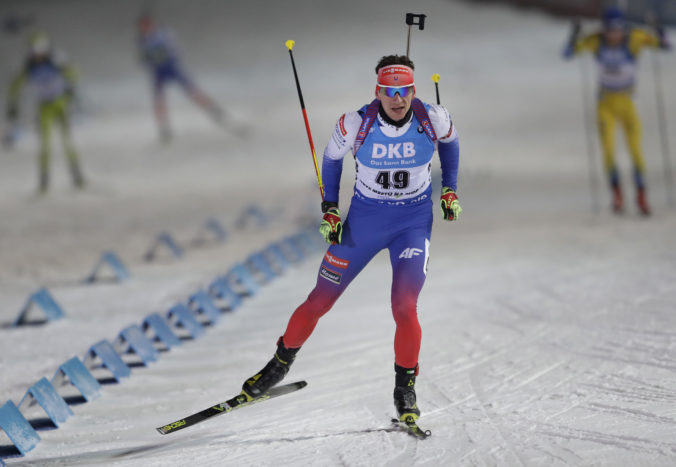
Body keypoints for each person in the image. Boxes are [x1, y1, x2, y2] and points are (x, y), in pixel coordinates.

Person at [240, 55, 462, 424]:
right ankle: (278, 366)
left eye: (403, 90)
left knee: (405, 307)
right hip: (364, 222)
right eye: (389, 91)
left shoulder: (433, 118)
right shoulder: (356, 122)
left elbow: (452, 145)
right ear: (378, 92)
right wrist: (329, 208)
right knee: (318, 300)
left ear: (413, 90)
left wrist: (450, 189)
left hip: (412, 223)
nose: (397, 99)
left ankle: (404, 389)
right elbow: (331, 160)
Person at [563, 7, 670, 216]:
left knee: (635, 150)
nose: (613, 35)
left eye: (617, 30)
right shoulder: (596, 41)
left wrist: (659, 30)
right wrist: (574, 34)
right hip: (605, 104)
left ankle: (641, 194)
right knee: (609, 151)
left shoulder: (634, 39)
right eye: (609, 30)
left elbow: (665, 46)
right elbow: (568, 54)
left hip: (627, 102)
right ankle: (617, 194)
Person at [5, 31, 85, 193]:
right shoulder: (30, 66)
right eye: (34, 52)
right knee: (45, 145)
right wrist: (12, 103)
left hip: (60, 103)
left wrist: (70, 87)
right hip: (44, 106)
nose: (37, 55)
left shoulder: (55, 60)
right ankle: (44, 181)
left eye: (40, 52)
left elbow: (74, 73)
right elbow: (16, 84)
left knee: (67, 141)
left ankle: (77, 176)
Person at [137, 15, 225, 143]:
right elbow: (144, 60)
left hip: (171, 68)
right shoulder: (141, 40)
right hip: (158, 72)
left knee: (192, 91)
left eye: (147, 26)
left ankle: (213, 109)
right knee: (159, 100)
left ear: (152, 24)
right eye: (142, 27)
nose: (144, 29)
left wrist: (156, 56)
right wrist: (148, 59)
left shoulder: (162, 34)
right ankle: (164, 129)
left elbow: (174, 51)